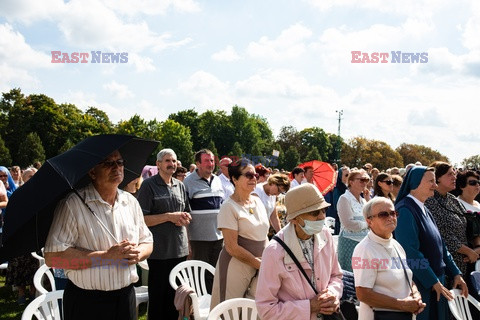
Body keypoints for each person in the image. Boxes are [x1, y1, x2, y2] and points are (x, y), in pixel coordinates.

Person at [44, 150, 153, 320]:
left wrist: (138, 254)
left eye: (120, 162)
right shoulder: (73, 204)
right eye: (108, 163)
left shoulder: (130, 201)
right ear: (92, 172)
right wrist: (106, 256)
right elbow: (53, 259)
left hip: (125, 298)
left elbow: (147, 241)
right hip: (87, 303)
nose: (116, 167)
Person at [255, 184, 343, 320]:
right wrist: (308, 307)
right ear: (294, 219)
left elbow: (336, 276)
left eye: (324, 210)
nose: (321, 217)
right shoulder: (274, 252)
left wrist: (333, 294)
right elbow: (266, 309)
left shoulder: (325, 235)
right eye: (314, 213)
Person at [395, 166, 468, 320]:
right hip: (421, 284)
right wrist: (432, 281)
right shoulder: (405, 210)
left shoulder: (424, 208)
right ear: (415, 183)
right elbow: (410, 252)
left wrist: (456, 273)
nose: (435, 185)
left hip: (436, 283)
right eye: (431, 181)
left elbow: (441, 244)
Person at [136, 148, 191, 320]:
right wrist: (168, 217)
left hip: (179, 250)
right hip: (159, 251)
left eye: (174, 161)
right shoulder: (148, 185)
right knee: (159, 297)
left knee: (176, 297)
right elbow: (142, 219)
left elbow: (187, 213)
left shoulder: (180, 185)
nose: (171, 164)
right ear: (158, 164)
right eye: (167, 161)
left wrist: (184, 218)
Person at [210, 159, 270, 309]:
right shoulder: (228, 207)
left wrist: (269, 261)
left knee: (253, 310)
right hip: (235, 266)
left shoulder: (257, 201)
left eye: (255, 174)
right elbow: (232, 247)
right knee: (229, 311)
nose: (254, 178)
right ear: (235, 179)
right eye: (249, 175)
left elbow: (264, 236)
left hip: (261, 265)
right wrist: (259, 264)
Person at [352, 197, 426, 320]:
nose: (390, 217)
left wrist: (416, 295)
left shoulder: (396, 244)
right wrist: (402, 305)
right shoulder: (365, 249)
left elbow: (406, 277)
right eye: (383, 214)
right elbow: (363, 294)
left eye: (393, 213)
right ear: (369, 221)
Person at [424, 162, 479, 279]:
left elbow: (469, 225)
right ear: (437, 178)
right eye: (450, 174)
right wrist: (468, 252)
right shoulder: (430, 201)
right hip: (446, 267)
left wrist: (475, 249)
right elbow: (442, 235)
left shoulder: (452, 200)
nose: (454, 177)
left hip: (465, 264)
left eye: (454, 174)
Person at [183, 149, 224, 270]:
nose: (210, 164)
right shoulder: (188, 182)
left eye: (212, 160)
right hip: (198, 240)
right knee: (200, 274)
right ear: (198, 163)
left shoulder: (217, 180)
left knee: (215, 274)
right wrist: (187, 242)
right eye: (206, 161)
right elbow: (185, 214)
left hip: (218, 238)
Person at [337, 169, 370, 271]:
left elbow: (372, 217)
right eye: (361, 180)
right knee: (350, 278)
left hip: (364, 244)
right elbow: (349, 224)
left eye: (366, 180)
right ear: (351, 182)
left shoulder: (363, 200)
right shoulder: (344, 198)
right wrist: (367, 224)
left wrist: (368, 199)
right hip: (349, 244)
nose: (364, 183)